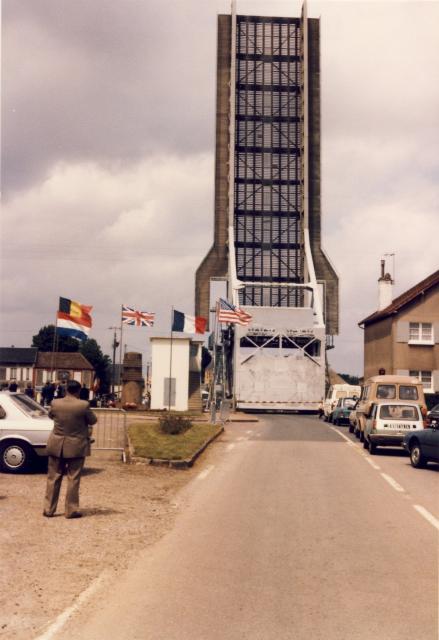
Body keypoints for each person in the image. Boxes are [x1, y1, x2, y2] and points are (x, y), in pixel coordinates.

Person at [43, 379, 97, 519]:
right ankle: (71, 510)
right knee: (73, 478)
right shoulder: (83, 405)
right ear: (79, 391)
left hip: (56, 444)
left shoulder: (55, 403)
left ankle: (49, 509)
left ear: (66, 389)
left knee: (53, 478)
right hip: (76, 446)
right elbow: (93, 420)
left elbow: (50, 416)